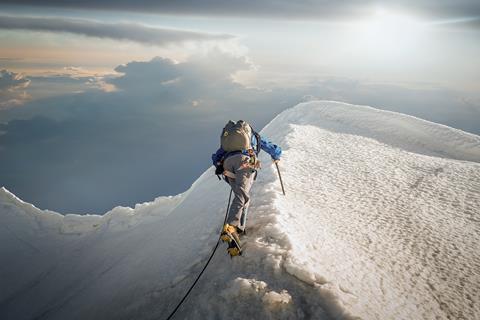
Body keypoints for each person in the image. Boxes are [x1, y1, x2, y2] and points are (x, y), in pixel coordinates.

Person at [212, 120, 282, 256]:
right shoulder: (254, 137)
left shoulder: (228, 141)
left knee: (242, 195)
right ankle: (231, 226)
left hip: (227, 166)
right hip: (244, 162)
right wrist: (277, 156)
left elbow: (216, 156)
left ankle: (239, 229)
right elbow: (271, 147)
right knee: (242, 195)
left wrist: (219, 164)